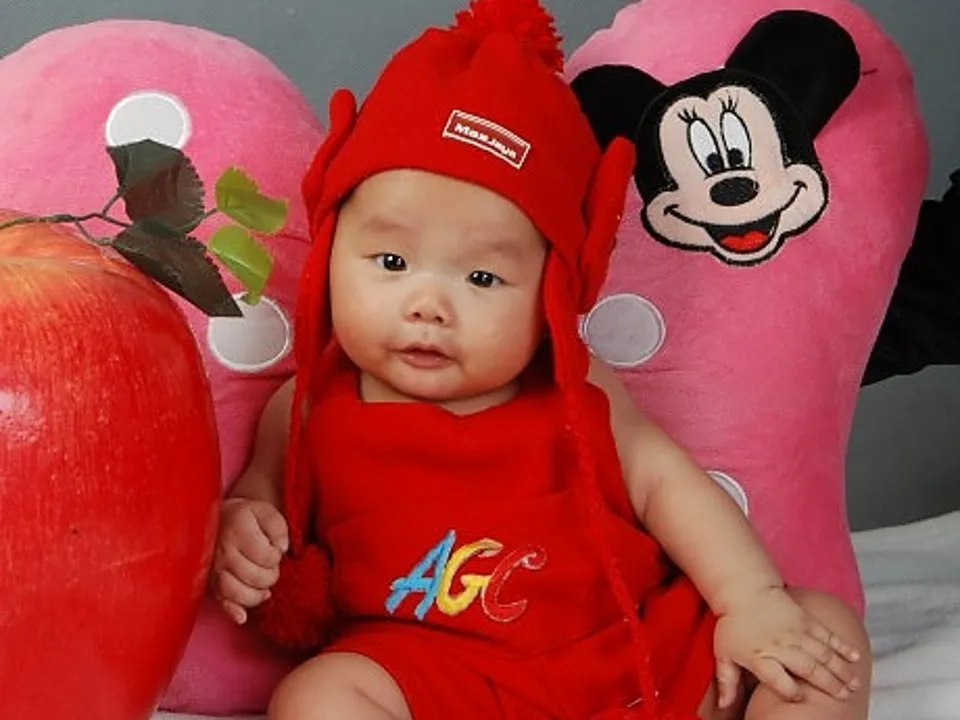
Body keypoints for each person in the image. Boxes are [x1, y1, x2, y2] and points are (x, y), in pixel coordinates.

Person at [213, 1, 871, 718]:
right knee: (315, 696)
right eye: (392, 261)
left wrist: (750, 600)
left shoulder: (577, 386)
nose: (429, 306)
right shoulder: (308, 405)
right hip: (434, 672)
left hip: (630, 653)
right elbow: (263, 499)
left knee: (822, 630)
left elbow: (666, 487)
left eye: (483, 277)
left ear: (555, 290)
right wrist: (243, 532)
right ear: (333, 248)